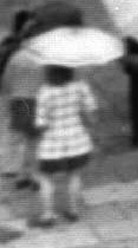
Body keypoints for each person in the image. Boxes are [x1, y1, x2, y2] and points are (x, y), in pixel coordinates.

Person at [30, 64, 96, 227]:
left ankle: (48, 214)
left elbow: (41, 124)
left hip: (51, 146)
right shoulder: (81, 87)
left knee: (45, 177)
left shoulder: (44, 92)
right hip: (78, 142)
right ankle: (73, 210)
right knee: (74, 175)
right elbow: (91, 112)